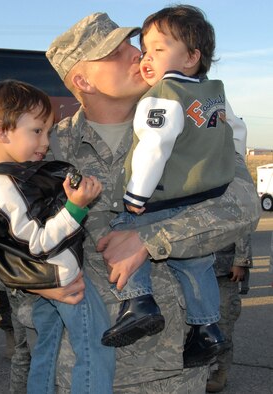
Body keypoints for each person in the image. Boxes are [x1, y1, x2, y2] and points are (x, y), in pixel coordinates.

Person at [16, 11, 259, 393]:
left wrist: (149, 240)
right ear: (82, 80)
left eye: (135, 44)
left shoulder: (191, 122)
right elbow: (0, 236)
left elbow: (242, 207)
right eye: (115, 52)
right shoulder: (46, 149)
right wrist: (35, 279)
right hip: (77, 366)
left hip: (169, 370)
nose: (136, 55)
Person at [100, 6, 232, 368]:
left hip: (162, 198)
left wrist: (135, 196)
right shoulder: (213, 94)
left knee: (123, 229)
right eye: (146, 49)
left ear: (191, 57)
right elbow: (234, 132)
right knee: (197, 264)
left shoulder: (161, 95)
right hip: (204, 196)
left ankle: (139, 302)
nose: (146, 57)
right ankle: (207, 329)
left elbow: (153, 149)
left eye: (159, 49)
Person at [0, 79, 114, 393]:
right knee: (94, 347)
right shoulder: (3, 186)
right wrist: (75, 207)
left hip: (42, 285)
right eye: (37, 131)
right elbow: (36, 242)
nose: (45, 142)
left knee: (44, 352)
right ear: (1, 130)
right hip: (64, 278)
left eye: (47, 132)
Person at [206, 235, 252, 392]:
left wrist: (240, 261)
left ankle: (221, 371)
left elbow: (241, 228)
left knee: (223, 323)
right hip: (197, 267)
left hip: (225, 270)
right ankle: (199, 369)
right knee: (196, 323)